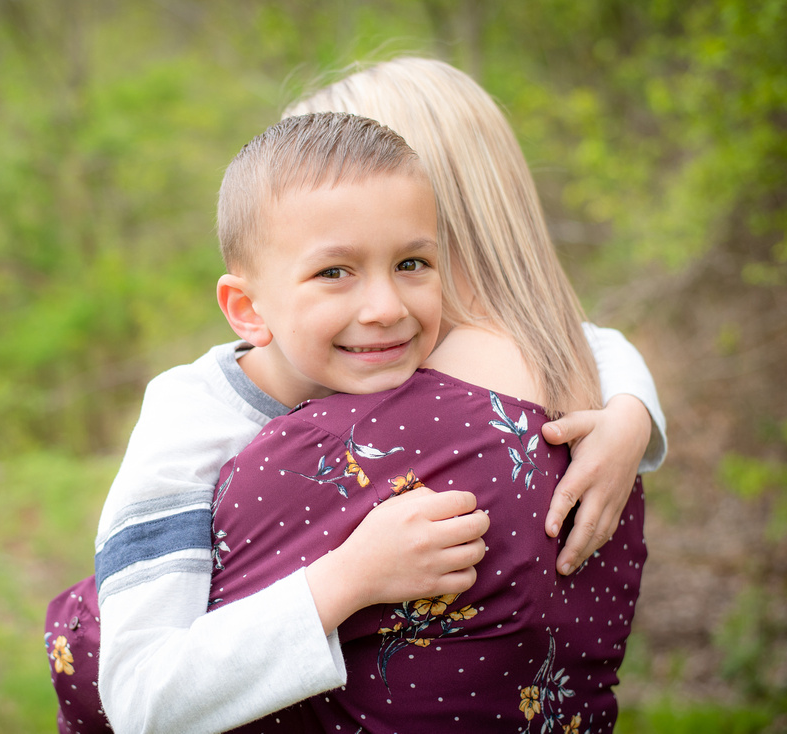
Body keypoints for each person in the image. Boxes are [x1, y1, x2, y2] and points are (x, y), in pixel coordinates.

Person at [50, 61, 665, 734]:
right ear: (249, 307)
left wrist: (631, 410)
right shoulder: (188, 430)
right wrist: (345, 579)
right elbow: (141, 697)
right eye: (334, 270)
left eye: (410, 262)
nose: (382, 307)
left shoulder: (386, 361)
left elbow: (577, 332)